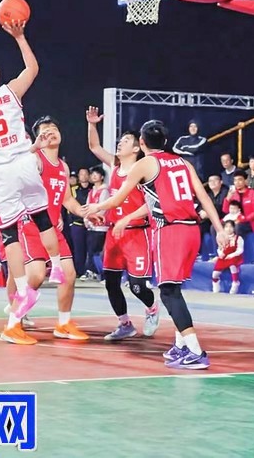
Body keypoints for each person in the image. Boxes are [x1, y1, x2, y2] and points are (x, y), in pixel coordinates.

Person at [87, 120, 228, 370]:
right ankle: (181, 345)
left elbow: (117, 199)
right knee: (175, 290)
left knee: (168, 292)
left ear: (142, 143)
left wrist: (95, 207)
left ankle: (196, 351)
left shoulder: (145, 164)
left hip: (170, 230)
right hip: (192, 231)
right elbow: (203, 197)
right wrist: (219, 229)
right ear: (165, 141)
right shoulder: (183, 162)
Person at [0, 23, 64, 343]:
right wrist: (19, 37)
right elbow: (33, 68)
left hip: (0, 171)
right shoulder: (9, 91)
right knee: (42, 217)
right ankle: (57, 265)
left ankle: (22, 291)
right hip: (25, 161)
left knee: (10, 235)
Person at [6, 116, 92, 343]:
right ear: (38, 138)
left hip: (53, 229)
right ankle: (12, 325)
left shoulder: (63, 167)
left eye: (54, 128)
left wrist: (83, 211)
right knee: (36, 275)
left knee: (69, 274)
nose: (51, 131)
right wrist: (33, 148)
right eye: (45, 130)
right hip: (32, 227)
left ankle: (63, 323)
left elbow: (66, 199)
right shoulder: (35, 159)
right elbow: (14, 171)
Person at [87, 106, 160, 340]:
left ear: (137, 147)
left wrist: (127, 217)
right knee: (111, 282)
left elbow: (150, 205)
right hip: (114, 233)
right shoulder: (115, 166)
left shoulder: (144, 171)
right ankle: (125, 323)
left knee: (137, 286)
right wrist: (92, 124)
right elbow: (94, 147)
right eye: (120, 140)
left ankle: (152, 308)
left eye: (126, 141)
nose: (120, 143)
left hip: (137, 233)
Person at [212, 219, 243, 294]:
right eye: (226, 227)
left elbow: (240, 250)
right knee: (215, 274)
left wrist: (232, 255)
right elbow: (219, 248)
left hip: (234, 256)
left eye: (230, 227)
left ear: (234, 228)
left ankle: (235, 282)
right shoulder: (221, 238)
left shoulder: (238, 238)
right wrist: (220, 253)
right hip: (224, 257)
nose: (228, 229)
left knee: (232, 265)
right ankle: (216, 284)